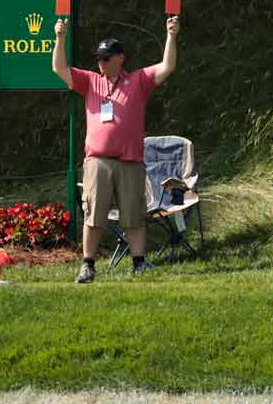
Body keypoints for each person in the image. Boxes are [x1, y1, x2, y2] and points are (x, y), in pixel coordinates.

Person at [52, 14, 180, 283]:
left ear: (120, 58)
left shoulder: (138, 81)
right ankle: (87, 266)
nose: (100, 62)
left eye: (106, 58)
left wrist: (171, 35)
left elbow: (167, 66)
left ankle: (139, 264)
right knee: (94, 215)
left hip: (130, 161)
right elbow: (59, 69)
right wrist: (59, 38)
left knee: (134, 216)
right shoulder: (90, 81)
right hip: (97, 161)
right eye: (98, 58)